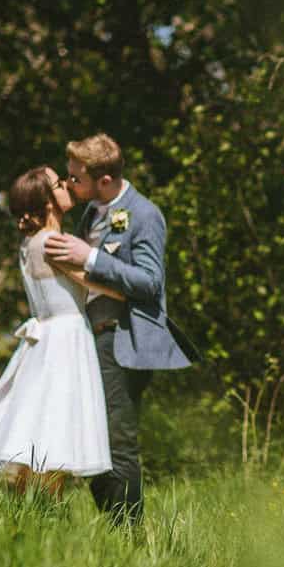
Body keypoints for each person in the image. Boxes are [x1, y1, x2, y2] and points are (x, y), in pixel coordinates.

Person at [0, 165, 121, 493]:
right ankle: (39, 512)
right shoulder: (53, 242)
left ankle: (29, 513)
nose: (67, 186)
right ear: (46, 200)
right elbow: (107, 287)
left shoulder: (31, 242)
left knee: (44, 430)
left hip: (47, 340)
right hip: (64, 341)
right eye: (59, 184)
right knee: (55, 431)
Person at [43, 133, 193, 526]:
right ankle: (117, 527)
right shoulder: (93, 210)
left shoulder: (144, 214)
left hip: (123, 338)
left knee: (116, 442)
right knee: (88, 436)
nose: (70, 182)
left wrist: (89, 256)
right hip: (91, 337)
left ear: (104, 180)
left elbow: (150, 282)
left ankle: (130, 536)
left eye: (76, 178)